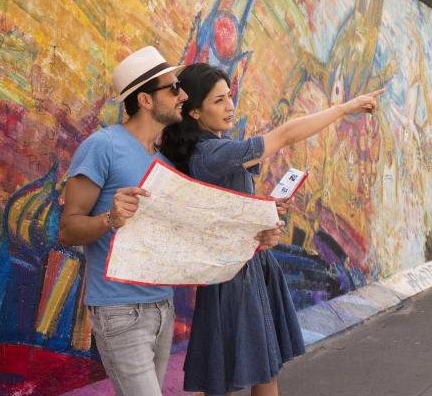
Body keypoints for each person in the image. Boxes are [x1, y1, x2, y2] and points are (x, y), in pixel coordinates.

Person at [58, 47, 283, 396]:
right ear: (146, 100)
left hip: (161, 307)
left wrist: (256, 235)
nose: (181, 95)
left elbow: (197, 230)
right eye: (172, 89)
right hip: (118, 310)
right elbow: (68, 229)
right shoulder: (102, 146)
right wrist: (110, 218)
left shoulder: (165, 162)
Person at [160, 63, 384, 396]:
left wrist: (263, 210)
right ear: (194, 111)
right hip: (235, 275)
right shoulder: (213, 153)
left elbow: (225, 210)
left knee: (248, 368)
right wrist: (346, 108)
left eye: (229, 97)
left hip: (247, 267)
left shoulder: (214, 150)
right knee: (236, 374)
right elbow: (284, 135)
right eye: (218, 100)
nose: (230, 106)